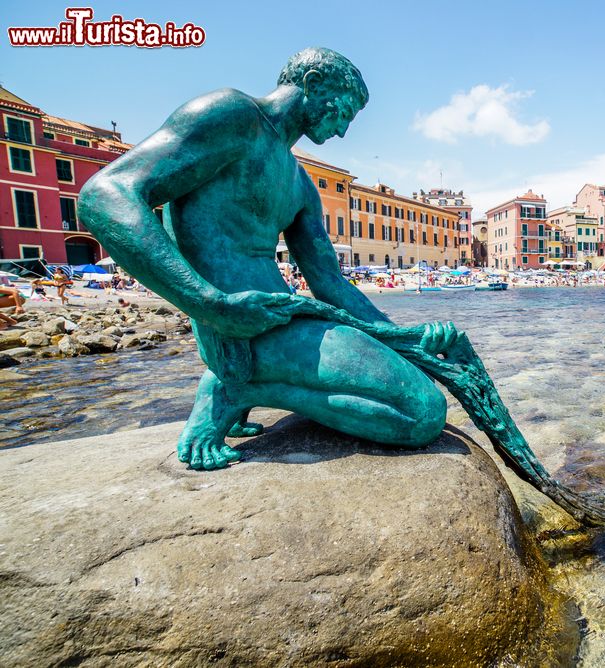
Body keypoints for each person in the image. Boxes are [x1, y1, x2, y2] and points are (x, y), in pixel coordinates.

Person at [79, 47, 455, 471]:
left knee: (417, 377)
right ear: (312, 83)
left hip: (282, 319)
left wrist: (405, 338)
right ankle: (236, 388)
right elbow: (104, 197)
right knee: (423, 414)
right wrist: (209, 305)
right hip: (238, 329)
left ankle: (249, 386)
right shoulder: (231, 115)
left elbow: (330, 282)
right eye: (344, 112)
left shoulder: (300, 183)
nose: (344, 130)